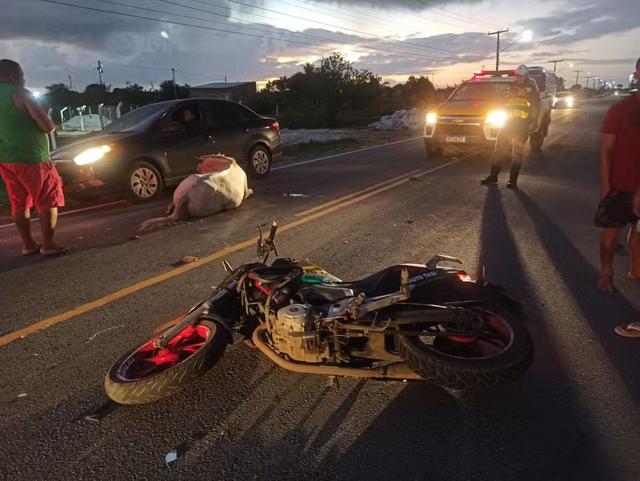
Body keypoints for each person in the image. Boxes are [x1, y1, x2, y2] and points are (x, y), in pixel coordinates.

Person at [0, 59, 66, 256]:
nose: (24, 79)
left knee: (19, 203)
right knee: (47, 199)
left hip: (6, 160)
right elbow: (47, 126)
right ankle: (48, 244)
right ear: (14, 77)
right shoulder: (20, 94)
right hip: (33, 157)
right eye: (22, 76)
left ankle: (28, 244)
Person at [595, 57, 640, 292]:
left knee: (638, 230)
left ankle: (635, 269)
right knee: (611, 234)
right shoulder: (620, 110)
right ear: (638, 73)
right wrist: (606, 185)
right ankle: (606, 271)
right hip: (620, 185)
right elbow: (607, 150)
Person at [481, 64, 540, 189]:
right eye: (517, 75)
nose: (519, 78)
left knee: (517, 154)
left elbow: (536, 106)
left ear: (526, 76)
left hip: (522, 125)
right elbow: (501, 100)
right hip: (508, 124)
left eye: (521, 76)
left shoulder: (531, 89)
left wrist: (533, 123)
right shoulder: (510, 87)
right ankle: (493, 176)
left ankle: (513, 180)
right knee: (499, 151)